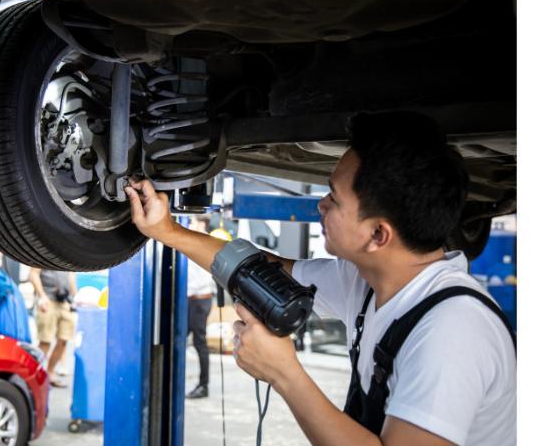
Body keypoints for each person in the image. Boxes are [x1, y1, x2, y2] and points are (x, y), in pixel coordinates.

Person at [124, 111, 516, 446]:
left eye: (334, 198)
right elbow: (259, 270)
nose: (320, 205)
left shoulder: (452, 333)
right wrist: (169, 231)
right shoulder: (367, 282)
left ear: (378, 235)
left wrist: (285, 372)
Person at [185, 217, 217, 399]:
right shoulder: (196, 241)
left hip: (199, 301)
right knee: (179, 338)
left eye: (191, 221)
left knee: (199, 343)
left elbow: (202, 279)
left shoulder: (203, 244)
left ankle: (204, 385)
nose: (189, 224)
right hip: (193, 301)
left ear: (201, 223)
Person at [30, 267, 77, 388]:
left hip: (65, 301)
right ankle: (34, 375)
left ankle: (50, 373)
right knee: (45, 341)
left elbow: (70, 274)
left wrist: (74, 297)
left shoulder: (67, 253)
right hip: (48, 300)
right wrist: (41, 296)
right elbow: (33, 274)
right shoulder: (44, 250)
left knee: (64, 340)